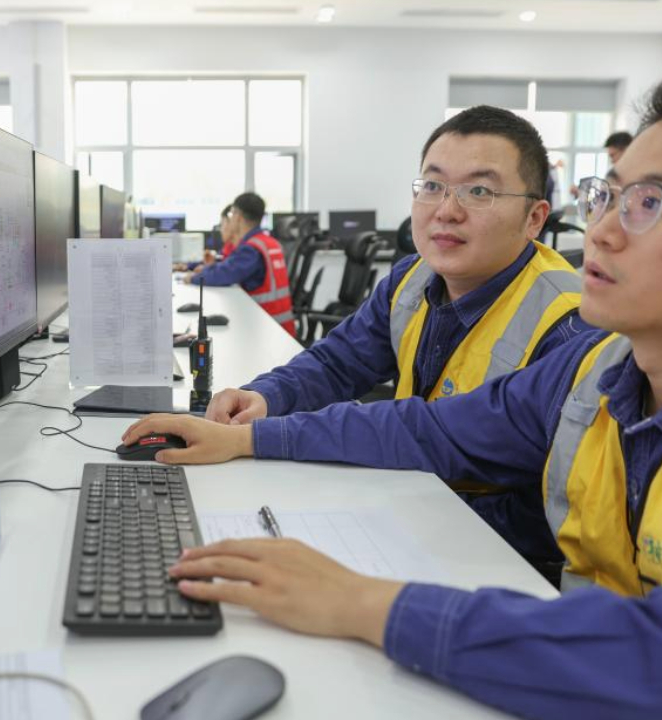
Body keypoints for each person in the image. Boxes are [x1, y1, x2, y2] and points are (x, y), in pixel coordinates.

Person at [124, 68, 662, 716]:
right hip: (558, 652)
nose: (599, 232)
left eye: (651, 204)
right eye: (608, 195)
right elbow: (429, 429)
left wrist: (374, 608)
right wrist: (247, 436)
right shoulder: (600, 368)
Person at [191, 106, 594, 578]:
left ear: (534, 218)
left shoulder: (571, 325)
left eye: (479, 191)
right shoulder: (411, 278)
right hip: (418, 508)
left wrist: (399, 516)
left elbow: (544, 512)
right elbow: (338, 363)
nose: (447, 210)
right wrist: (264, 396)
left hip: (498, 562)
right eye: (432, 185)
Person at [187, 192, 296, 336]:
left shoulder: (251, 249)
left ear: (238, 216)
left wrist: (193, 278)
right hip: (281, 326)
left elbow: (224, 274)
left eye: (231, 215)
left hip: (267, 329)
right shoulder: (270, 242)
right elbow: (227, 265)